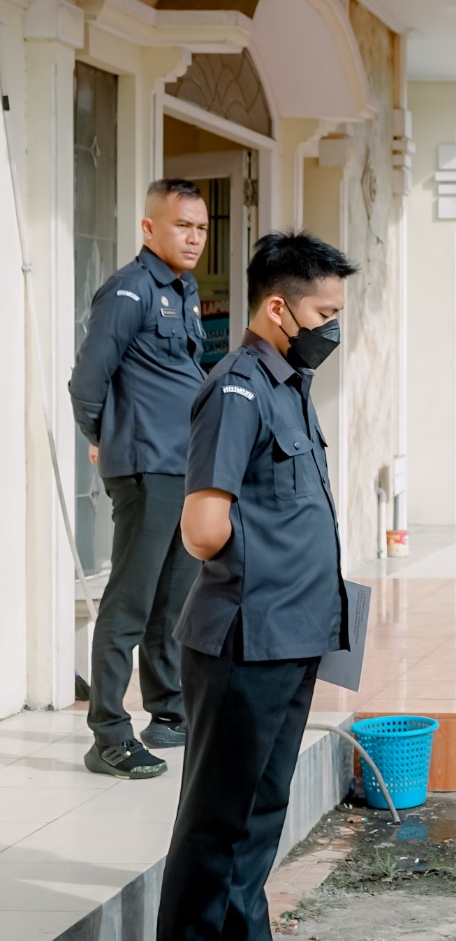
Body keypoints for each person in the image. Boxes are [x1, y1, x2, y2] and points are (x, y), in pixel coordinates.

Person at [158, 232, 358, 940]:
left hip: (289, 638)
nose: (332, 329)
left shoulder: (288, 384)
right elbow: (203, 528)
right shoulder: (238, 387)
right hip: (247, 640)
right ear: (279, 308)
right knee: (219, 827)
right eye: (325, 313)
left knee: (256, 822)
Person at [68, 178, 209, 779]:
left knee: (173, 603)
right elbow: (87, 382)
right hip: (146, 469)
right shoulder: (129, 291)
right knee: (129, 602)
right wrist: (106, 436)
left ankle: (169, 715)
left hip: (183, 466)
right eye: (182, 225)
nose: (194, 237)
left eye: (201, 228)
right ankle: (108, 736)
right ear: (149, 228)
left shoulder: (185, 290)